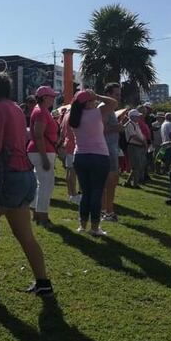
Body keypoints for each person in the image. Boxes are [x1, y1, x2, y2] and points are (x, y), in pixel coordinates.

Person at [0, 72, 53, 296]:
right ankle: (43, 283)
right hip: (25, 175)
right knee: (25, 236)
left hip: (7, 177)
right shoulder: (15, 107)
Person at [69, 89, 118, 236]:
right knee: (97, 192)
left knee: (86, 193)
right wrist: (97, 95)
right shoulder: (98, 112)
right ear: (89, 101)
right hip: (99, 156)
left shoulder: (73, 116)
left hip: (80, 156)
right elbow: (113, 102)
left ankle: (82, 226)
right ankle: (95, 228)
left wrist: (90, 97)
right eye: (92, 100)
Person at [27, 86, 59, 227]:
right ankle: (43, 217)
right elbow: (38, 134)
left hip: (39, 150)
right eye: (52, 96)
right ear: (45, 97)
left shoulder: (40, 110)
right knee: (46, 185)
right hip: (42, 151)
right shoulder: (41, 111)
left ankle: (36, 213)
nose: (54, 99)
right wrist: (44, 157)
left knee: (40, 183)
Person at [100, 83, 122, 221]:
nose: (118, 97)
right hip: (106, 150)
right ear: (108, 94)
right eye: (116, 94)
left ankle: (107, 210)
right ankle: (107, 211)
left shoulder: (109, 109)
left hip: (111, 149)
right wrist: (117, 128)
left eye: (119, 94)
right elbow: (101, 130)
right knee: (108, 183)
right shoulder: (104, 108)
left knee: (111, 182)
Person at [57, 106, 80, 204]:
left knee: (69, 170)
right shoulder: (74, 115)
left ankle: (70, 193)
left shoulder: (66, 115)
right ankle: (73, 194)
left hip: (67, 143)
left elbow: (62, 131)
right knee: (72, 171)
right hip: (73, 144)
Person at [123, 109, 147, 189]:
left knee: (137, 166)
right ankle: (135, 184)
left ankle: (128, 182)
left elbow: (139, 135)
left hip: (137, 146)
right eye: (137, 116)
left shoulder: (135, 124)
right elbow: (133, 136)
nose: (139, 117)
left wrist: (143, 141)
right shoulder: (130, 124)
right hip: (133, 146)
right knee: (136, 166)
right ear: (132, 116)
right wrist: (142, 142)